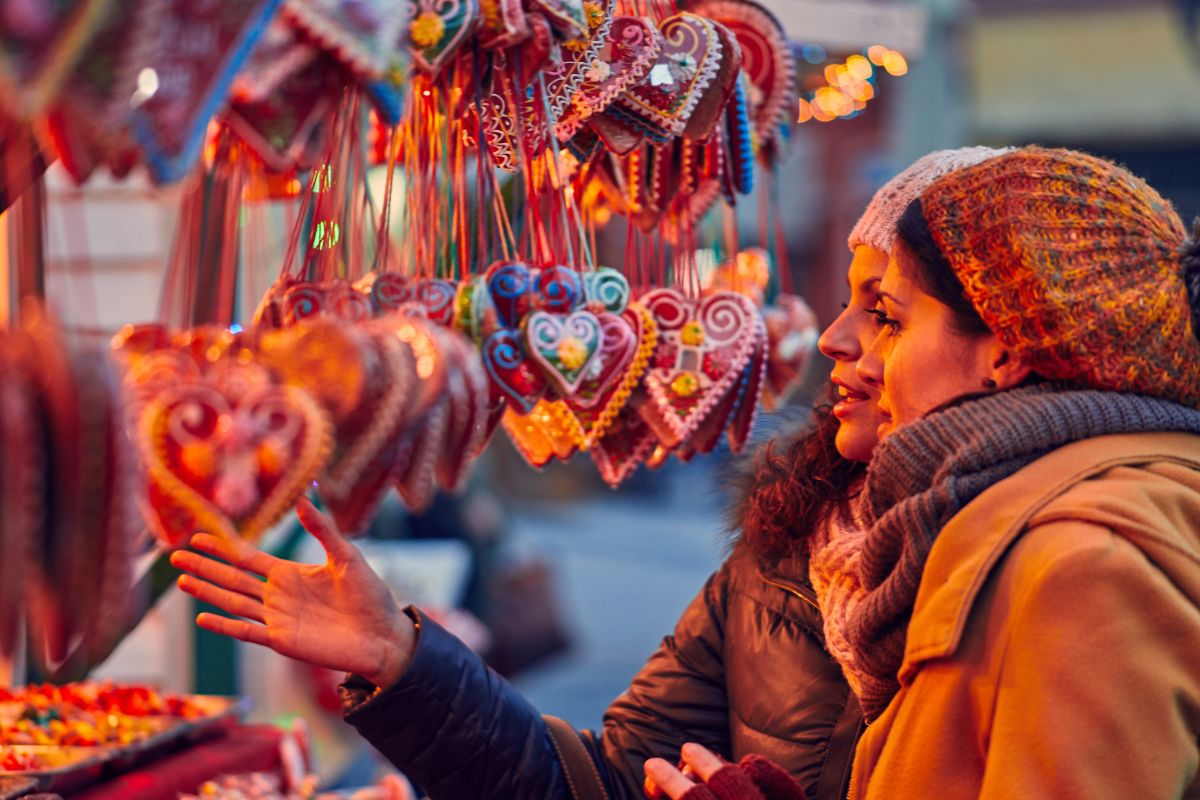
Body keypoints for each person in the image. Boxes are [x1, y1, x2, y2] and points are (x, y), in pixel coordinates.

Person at [169, 148, 1006, 800]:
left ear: (1006, 348)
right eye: (854, 301)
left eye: (887, 313)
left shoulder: (1066, 564)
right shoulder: (789, 554)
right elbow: (598, 784)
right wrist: (403, 660)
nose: (836, 338)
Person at [645, 145, 1200, 799]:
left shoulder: (1082, 564)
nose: (857, 347)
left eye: (891, 318)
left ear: (1007, 351)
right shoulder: (995, 528)